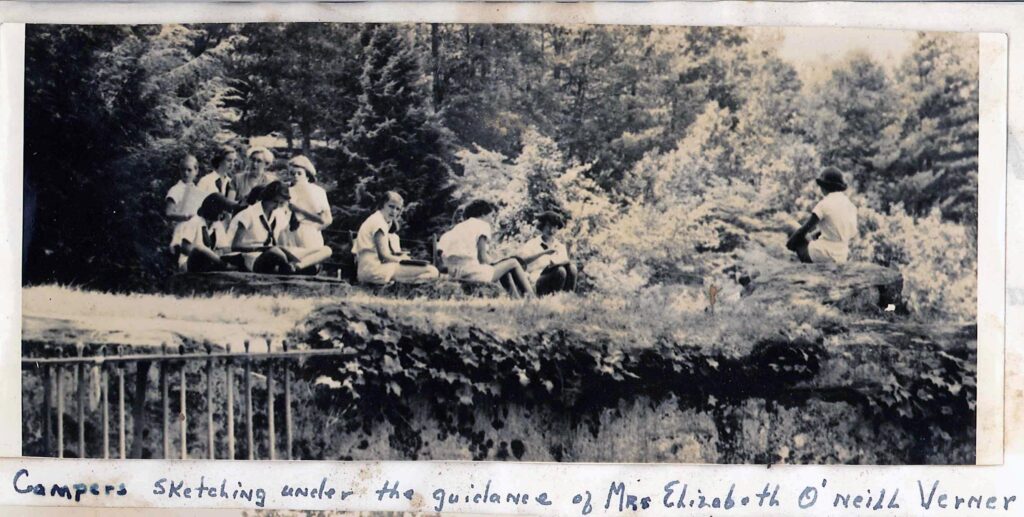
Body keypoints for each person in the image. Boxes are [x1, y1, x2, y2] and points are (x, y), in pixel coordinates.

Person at [437, 200, 534, 298]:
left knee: (505, 268)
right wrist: (496, 263)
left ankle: (516, 299)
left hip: (454, 274)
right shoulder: (481, 225)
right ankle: (532, 297)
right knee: (513, 262)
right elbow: (482, 259)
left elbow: (442, 262)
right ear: (483, 214)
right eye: (491, 216)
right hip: (473, 274)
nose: (492, 220)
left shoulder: (452, 232)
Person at [353, 191, 439, 285]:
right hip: (375, 270)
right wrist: (404, 261)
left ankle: (402, 288)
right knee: (432, 271)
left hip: (370, 269)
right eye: (391, 206)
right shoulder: (378, 223)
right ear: (382, 205)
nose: (394, 211)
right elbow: (383, 256)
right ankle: (406, 290)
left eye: (397, 209)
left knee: (425, 270)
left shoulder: (378, 219)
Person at [229, 181, 310, 274]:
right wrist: (262, 248)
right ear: (266, 197)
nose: (277, 206)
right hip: (251, 257)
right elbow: (235, 246)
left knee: (323, 251)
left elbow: (282, 240)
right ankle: (292, 267)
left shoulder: (277, 214)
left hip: (272, 253)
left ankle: (297, 267)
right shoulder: (248, 214)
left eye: (281, 203)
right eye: (275, 202)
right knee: (274, 252)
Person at [786, 167, 858, 264]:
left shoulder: (824, 204)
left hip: (823, 255)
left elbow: (804, 229)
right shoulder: (850, 205)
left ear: (823, 187)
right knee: (812, 236)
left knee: (793, 228)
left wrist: (790, 245)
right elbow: (849, 231)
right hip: (842, 255)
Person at [169, 193, 238, 273]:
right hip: (189, 263)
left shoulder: (217, 225)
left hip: (208, 263)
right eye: (221, 211)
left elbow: (225, 248)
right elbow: (185, 248)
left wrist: (215, 254)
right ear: (214, 209)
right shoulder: (194, 222)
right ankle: (224, 266)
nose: (223, 215)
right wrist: (206, 253)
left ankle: (225, 265)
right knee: (200, 248)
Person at [516, 211, 577, 295]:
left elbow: (566, 262)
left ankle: (567, 298)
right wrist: (543, 253)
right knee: (560, 271)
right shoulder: (532, 243)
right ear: (542, 226)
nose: (552, 230)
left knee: (572, 268)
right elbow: (522, 262)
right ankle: (553, 299)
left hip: (558, 279)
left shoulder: (560, 246)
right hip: (538, 280)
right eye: (549, 226)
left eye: (555, 227)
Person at [165, 154, 207, 226]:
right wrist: (185, 216)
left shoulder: (199, 190)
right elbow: (168, 213)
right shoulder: (176, 189)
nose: (186, 173)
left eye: (189, 170)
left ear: (196, 171)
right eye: (183, 170)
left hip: (197, 228)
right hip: (182, 228)